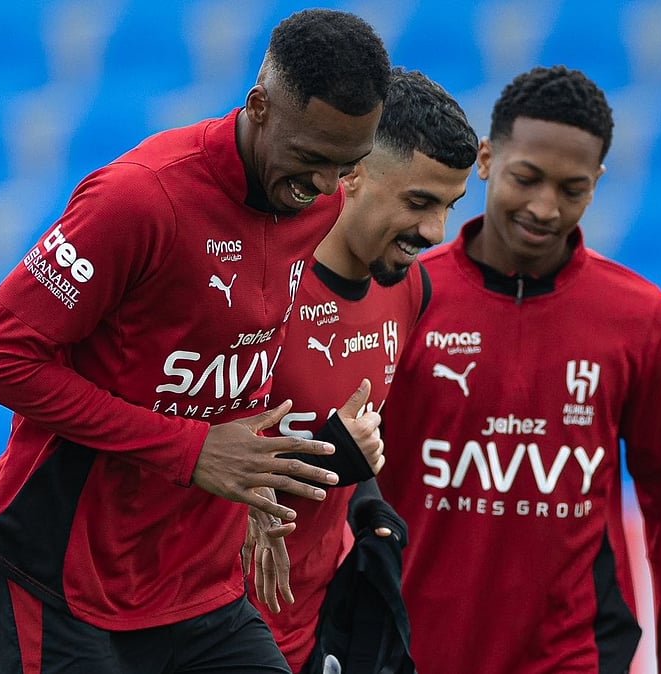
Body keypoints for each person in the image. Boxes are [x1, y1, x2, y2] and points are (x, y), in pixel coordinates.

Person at [0, 9, 391, 673]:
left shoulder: (316, 201)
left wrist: (257, 490)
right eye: (312, 159)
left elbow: (241, 353)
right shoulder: (140, 199)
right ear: (259, 106)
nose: (328, 188)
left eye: (347, 165)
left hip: (194, 587)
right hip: (56, 578)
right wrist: (191, 450)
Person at [375, 65, 661, 674]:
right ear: (484, 159)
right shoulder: (405, 292)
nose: (545, 207)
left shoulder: (641, 319)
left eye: (572, 189)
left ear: (598, 182)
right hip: (409, 654)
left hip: (575, 656)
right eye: (526, 178)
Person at [244, 66, 477, 673]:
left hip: (308, 631)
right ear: (350, 174)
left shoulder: (409, 288)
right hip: (198, 630)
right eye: (419, 202)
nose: (435, 232)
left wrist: (367, 500)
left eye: (450, 206)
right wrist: (330, 456)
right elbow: (178, 463)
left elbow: (353, 433)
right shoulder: (256, 284)